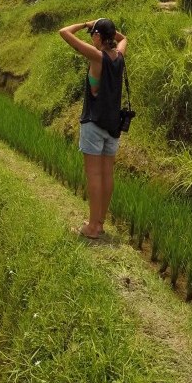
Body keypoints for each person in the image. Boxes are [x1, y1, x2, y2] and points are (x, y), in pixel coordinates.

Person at [59, 18, 128, 239]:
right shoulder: (120, 56)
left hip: (94, 123)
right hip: (113, 126)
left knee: (94, 176)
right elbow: (124, 38)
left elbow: (64, 32)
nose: (91, 38)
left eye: (93, 35)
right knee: (107, 175)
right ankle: (99, 223)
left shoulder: (96, 56)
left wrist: (84, 24)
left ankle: (91, 228)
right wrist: (104, 27)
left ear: (98, 36)